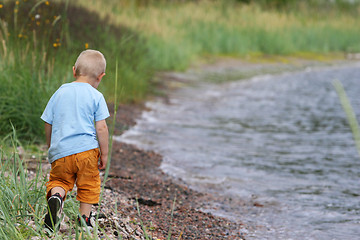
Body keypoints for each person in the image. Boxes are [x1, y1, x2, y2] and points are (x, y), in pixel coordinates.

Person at [41, 49, 110, 231]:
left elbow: (48, 122)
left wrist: (51, 146)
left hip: (61, 152)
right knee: (88, 184)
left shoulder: (60, 92)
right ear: (100, 77)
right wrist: (104, 154)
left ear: (74, 71)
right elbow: (101, 127)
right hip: (87, 151)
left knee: (59, 181)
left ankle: (56, 198)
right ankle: (84, 219)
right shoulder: (97, 96)